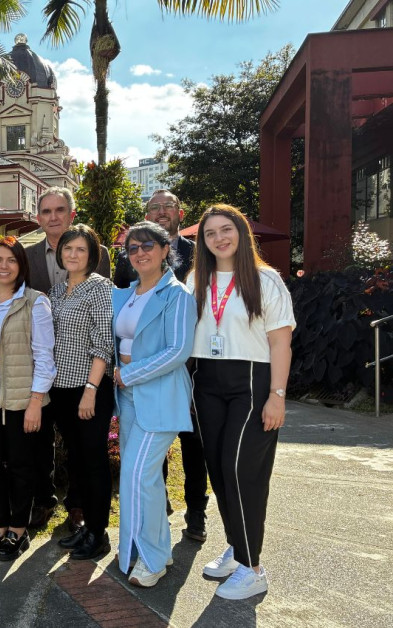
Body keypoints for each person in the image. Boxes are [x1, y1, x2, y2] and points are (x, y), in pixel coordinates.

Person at [189, 204, 294, 600]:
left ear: (241, 232)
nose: (219, 238)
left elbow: (281, 341)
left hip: (252, 381)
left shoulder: (265, 280)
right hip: (208, 382)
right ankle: (237, 548)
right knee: (218, 469)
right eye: (210, 233)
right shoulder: (196, 279)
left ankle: (253, 568)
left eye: (225, 229)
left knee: (240, 470)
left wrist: (277, 397)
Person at [112, 190, 209, 542]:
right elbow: (125, 312)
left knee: (193, 446)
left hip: (190, 367)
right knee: (146, 465)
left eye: (168, 205)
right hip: (136, 381)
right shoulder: (130, 261)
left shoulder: (199, 253)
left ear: (180, 213)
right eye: (155, 206)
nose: (163, 210)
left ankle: (196, 512)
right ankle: (159, 508)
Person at [25, 187, 110, 531]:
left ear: (71, 214)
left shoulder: (99, 264)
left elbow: (103, 330)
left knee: (86, 452)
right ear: (39, 217)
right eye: (46, 211)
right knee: (45, 442)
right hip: (49, 377)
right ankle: (44, 500)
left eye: (60, 210)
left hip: (85, 381)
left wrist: (92, 387)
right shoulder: (30, 259)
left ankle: (81, 511)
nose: (53, 216)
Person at [0, 237, 56, 562]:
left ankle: (18, 530)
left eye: (10, 260)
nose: (3, 266)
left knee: (21, 464)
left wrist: (36, 401)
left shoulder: (35, 302)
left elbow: (45, 357)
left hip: (22, 391)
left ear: (21, 265)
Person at [41, 225, 115, 561]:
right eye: (68, 248)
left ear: (92, 254)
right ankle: (86, 527)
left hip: (89, 390)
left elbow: (104, 343)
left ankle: (99, 534)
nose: (72, 254)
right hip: (61, 389)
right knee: (78, 461)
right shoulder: (57, 292)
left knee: (95, 461)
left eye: (80, 249)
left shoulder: (101, 289)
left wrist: (91, 390)